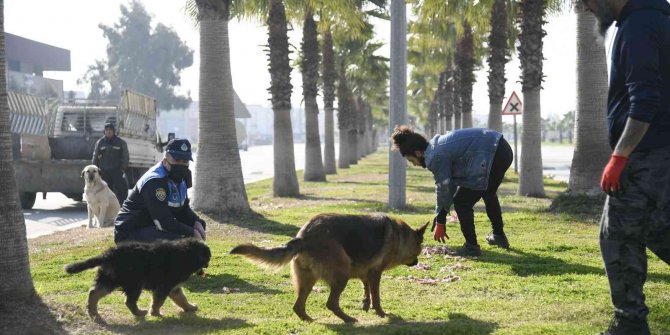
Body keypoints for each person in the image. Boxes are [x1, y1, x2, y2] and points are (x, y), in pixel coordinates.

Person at [581, 0, 670, 334]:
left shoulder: (638, 27)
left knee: (616, 237)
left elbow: (644, 99)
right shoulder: (655, 21)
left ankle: (630, 323)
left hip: (645, 156)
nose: (586, 8)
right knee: (658, 229)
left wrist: (619, 157)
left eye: (587, 1)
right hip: (659, 153)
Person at [391, 126, 513, 256]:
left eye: (411, 160)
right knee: (487, 192)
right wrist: (440, 216)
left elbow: (445, 187)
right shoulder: (435, 147)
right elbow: (451, 184)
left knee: (461, 202)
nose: (414, 164)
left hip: (493, 152)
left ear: (418, 153)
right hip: (501, 148)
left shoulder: (435, 156)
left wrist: (441, 220)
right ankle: (499, 236)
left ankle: (472, 247)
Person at [114, 138, 207, 244]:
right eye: (177, 160)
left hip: (151, 226)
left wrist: (196, 222)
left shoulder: (182, 178)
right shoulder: (155, 181)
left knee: (196, 228)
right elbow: (163, 222)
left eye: (185, 161)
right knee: (179, 244)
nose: (181, 165)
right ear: (165, 161)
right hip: (131, 231)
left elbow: (182, 209)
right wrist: (192, 232)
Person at [92, 122, 129, 205]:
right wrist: (95, 170)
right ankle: (107, 208)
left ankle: (123, 208)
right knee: (104, 191)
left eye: (110, 130)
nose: (109, 131)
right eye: (107, 130)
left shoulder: (120, 142)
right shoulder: (100, 142)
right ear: (104, 131)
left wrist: (123, 168)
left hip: (117, 171)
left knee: (122, 190)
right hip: (104, 172)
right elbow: (95, 156)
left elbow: (125, 156)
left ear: (114, 131)